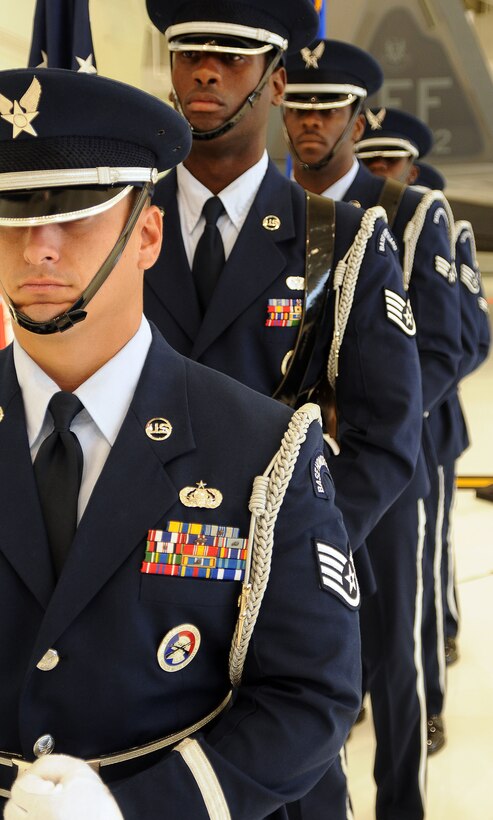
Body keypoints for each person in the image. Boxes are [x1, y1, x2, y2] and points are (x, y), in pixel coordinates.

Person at [0, 66, 362, 820]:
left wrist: (136, 813)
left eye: (77, 211)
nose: (40, 247)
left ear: (149, 234)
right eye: (13, 213)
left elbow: (308, 694)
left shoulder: (260, 450)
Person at [143, 5, 423, 814]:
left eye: (230, 57)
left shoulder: (341, 238)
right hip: (128, 589)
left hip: (270, 594)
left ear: (275, 81)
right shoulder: (121, 223)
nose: (204, 71)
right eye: (190, 52)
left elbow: (385, 436)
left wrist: (301, 545)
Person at [283, 41, 462, 820]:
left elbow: (446, 345)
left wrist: (358, 414)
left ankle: (402, 806)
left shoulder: (408, 213)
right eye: (299, 106)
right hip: (283, 483)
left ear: (359, 117)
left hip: (384, 471)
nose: (309, 122)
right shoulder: (274, 215)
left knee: (396, 650)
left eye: (327, 108)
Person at [356, 115, 492, 752]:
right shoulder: (337, 222)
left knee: (423, 573)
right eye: (371, 162)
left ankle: (427, 696)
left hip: (424, 430)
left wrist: (398, 408)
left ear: (411, 169)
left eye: (391, 165)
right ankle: (353, 684)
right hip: (351, 440)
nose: (380, 174)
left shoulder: (437, 229)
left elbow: (466, 341)